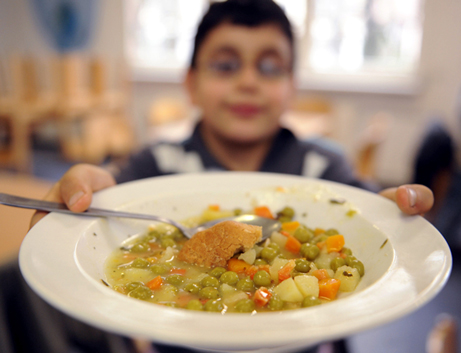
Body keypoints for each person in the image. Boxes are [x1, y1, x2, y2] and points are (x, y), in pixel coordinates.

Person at [30, 1, 434, 352]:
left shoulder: (326, 167)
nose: (247, 81)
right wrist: (84, 194)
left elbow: (369, 214)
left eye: (270, 67)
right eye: (225, 65)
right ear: (191, 84)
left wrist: (396, 215)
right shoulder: (156, 161)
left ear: (292, 86)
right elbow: (113, 197)